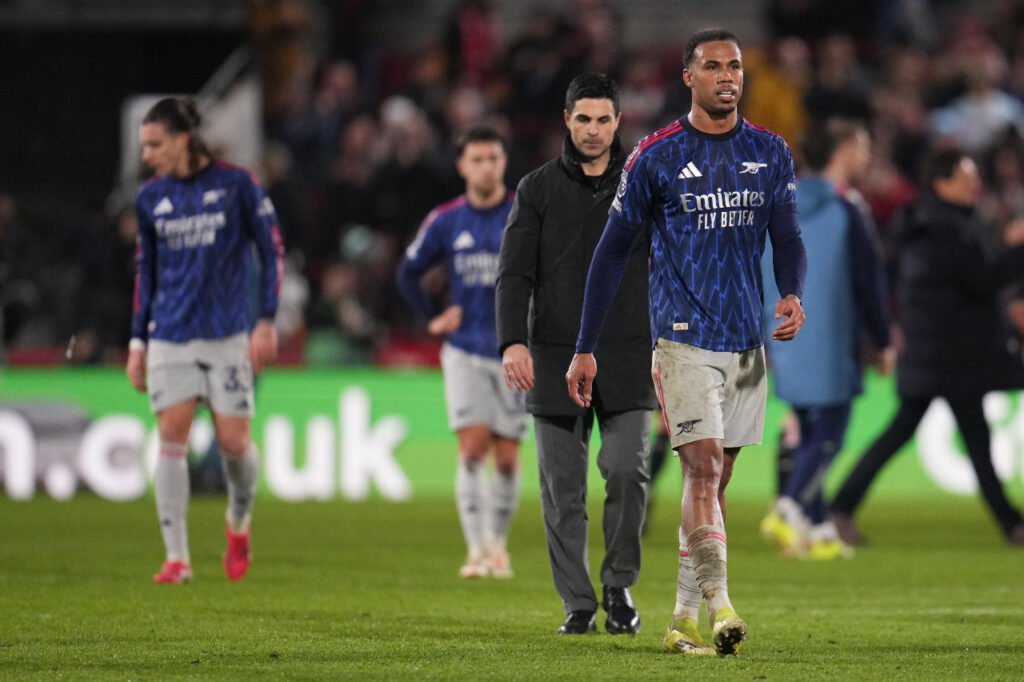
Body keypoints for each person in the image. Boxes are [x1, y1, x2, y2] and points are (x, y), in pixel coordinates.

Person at [566, 29, 808, 656]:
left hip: (745, 343)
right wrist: (584, 345)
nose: (728, 76)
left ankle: (680, 618)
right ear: (688, 77)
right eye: (713, 66)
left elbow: (786, 233)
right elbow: (612, 250)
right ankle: (724, 608)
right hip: (680, 339)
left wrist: (791, 292)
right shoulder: (655, 155)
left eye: (735, 66)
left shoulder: (771, 152)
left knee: (716, 483)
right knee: (701, 469)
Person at [496, 73, 657, 635]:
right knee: (562, 490)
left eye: (603, 119)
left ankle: (619, 585)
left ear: (618, 122)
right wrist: (513, 340)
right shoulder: (536, 190)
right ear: (567, 119)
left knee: (627, 470)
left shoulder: (644, 185)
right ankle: (578, 602)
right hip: (554, 353)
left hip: (632, 353)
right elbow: (514, 272)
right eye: (583, 119)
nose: (593, 130)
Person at [830, 147, 1024, 547]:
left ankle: (841, 507)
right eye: (966, 177)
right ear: (942, 182)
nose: (976, 184)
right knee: (973, 441)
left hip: (934, 352)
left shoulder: (925, 224)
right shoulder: (945, 229)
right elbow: (983, 281)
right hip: (949, 356)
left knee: (912, 434)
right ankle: (1011, 524)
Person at [126, 97, 284, 584]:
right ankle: (177, 558)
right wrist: (137, 341)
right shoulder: (150, 198)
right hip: (170, 334)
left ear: (181, 139)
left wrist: (265, 320)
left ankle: (238, 520)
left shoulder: (237, 184)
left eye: (155, 144)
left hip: (225, 334)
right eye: (144, 145)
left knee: (234, 443)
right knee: (170, 435)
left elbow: (271, 251)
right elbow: (146, 273)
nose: (147, 154)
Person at [396, 125, 527, 579]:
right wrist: (432, 316)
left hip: (515, 352)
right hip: (465, 349)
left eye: (493, 157)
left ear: (504, 162)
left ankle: (498, 547)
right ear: (462, 166)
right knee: (472, 449)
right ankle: (476, 550)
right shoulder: (446, 220)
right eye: (477, 159)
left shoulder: (524, 214)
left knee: (507, 456)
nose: (486, 166)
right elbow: (407, 272)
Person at [759, 119, 893, 560]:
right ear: (840, 151)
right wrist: (884, 339)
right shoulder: (847, 206)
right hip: (833, 337)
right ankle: (790, 505)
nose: (867, 156)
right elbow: (869, 282)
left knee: (808, 427)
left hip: (784, 333)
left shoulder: (779, 202)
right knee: (831, 430)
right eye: (862, 145)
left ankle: (818, 530)